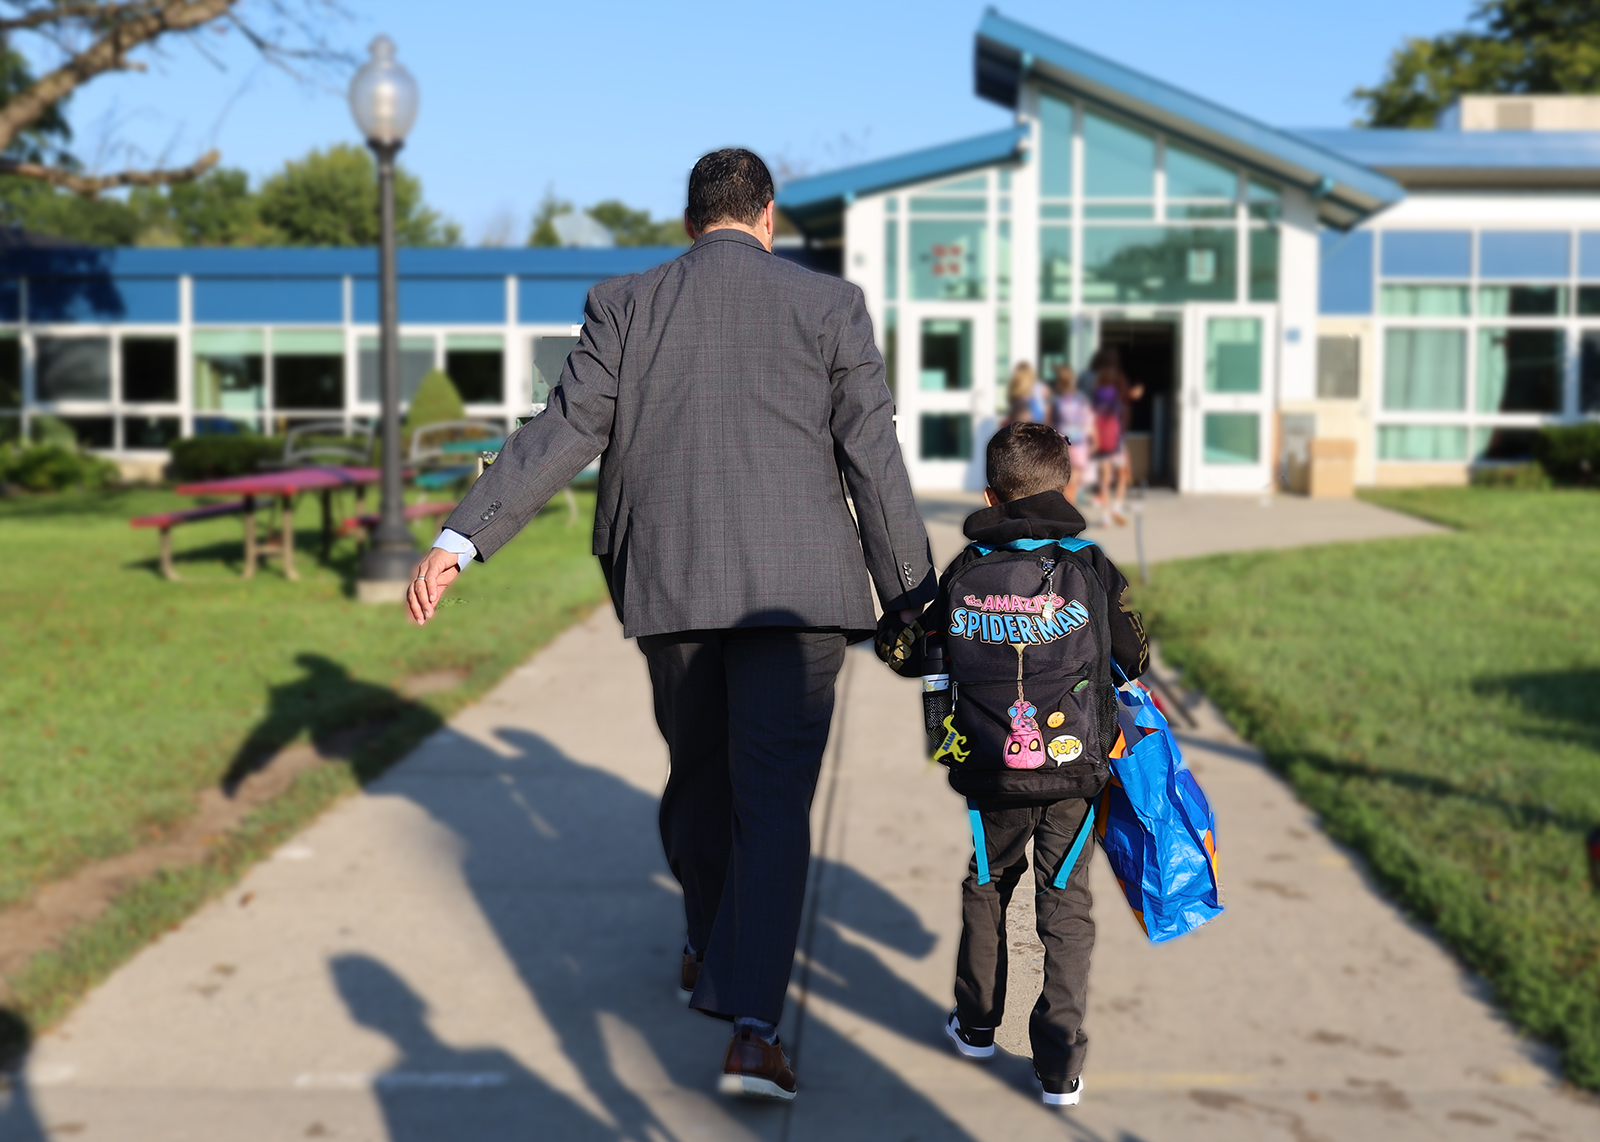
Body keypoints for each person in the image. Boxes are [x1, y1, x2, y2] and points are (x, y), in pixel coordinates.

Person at [404, 148, 936, 1102]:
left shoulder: (627, 303)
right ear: (767, 218)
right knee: (770, 804)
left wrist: (461, 539)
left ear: (692, 221)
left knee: (699, 777)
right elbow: (874, 459)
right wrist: (911, 595)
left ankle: (703, 941)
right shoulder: (830, 306)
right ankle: (753, 1031)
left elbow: (559, 433)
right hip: (799, 596)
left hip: (674, 588)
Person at [879, 422, 1147, 1108]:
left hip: (990, 767)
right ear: (1070, 485)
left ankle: (975, 1025)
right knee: (1064, 905)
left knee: (987, 886)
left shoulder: (967, 571)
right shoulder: (1089, 564)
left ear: (991, 494)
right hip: (1073, 772)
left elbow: (920, 654)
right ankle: (1058, 1065)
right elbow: (1130, 659)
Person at [1087, 348, 1143, 526]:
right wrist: (1136, 393)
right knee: (1123, 473)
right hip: (1115, 439)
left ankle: (1106, 514)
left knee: (1104, 478)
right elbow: (1128, 396)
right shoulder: (1118, 385)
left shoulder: (1098, 389)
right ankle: (1116, 506)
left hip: (1102, 440)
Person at [1048, 364, 1093, 507]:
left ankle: (1065, 511)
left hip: (1062, 443)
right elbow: (1088, 420)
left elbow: (1049, 422)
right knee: (1073, 482)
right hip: (1079, 443)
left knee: (1065, 482)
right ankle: (1068, 511)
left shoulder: (1056, 400)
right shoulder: (1080, 398)